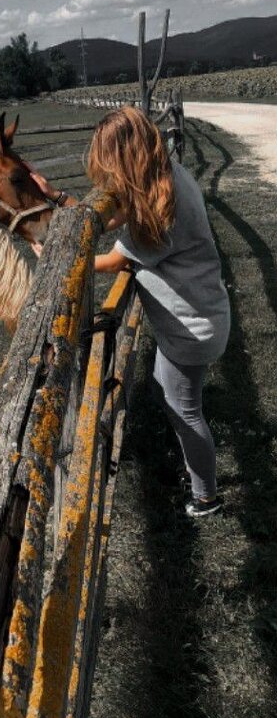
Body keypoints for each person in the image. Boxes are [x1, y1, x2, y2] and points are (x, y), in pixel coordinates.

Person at [87, 105, 230, 518]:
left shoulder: (164, 210)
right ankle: (198, 472)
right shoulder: (167, 179)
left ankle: (206, 497)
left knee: (186, 410)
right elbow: (121, 216)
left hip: (193, 325)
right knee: (170, 395)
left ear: (125, 161)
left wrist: (65, 258)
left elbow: (114, 261)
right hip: (197, 316)